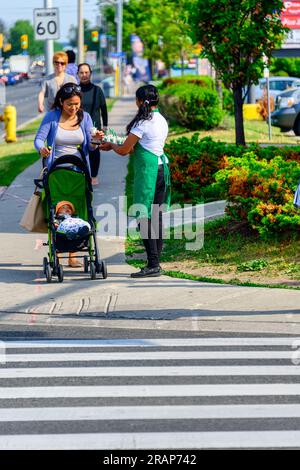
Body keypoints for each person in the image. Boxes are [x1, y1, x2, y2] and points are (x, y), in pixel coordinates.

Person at [100, 84, 171, 278]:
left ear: (140, 101)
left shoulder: (143, 122)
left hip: (148, 172)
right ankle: (155, 261)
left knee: (143, 216)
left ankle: (153, 264)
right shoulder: (161, 119)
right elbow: (131, 145)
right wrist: (115, 144)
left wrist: (112, 145)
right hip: (162, 168)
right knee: (156, 216)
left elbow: (124, 150)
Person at [34, 82, 102, 267]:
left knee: (79, 208)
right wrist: (42, 149)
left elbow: (90, 146)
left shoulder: (85, 117)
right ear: (61, 102)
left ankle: (73, 255)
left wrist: (96, 141)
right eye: (70, 104)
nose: (73, 108)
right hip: (56, 171)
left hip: (79, 171)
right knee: (58, 209)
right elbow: (39, 139)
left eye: (77, 104)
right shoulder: (52, 117)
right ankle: (58, 248)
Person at [77, 62, 108, 186]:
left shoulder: (97, 90)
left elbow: (104, 108)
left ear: (90, 73)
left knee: (95, 152)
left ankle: (94, 176)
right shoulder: (76, 90)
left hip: (95, 127)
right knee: (81, 152)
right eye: (81, 73)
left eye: (86, 72)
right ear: (78, 74)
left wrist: (105, 125)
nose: (84, 75)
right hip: (78, 126)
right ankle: (82, 174)